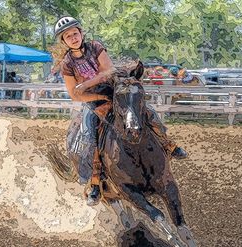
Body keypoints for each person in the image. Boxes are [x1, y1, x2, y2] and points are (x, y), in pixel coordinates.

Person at [53, 16, 187, 206]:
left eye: (75, 33)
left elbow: (108, 71)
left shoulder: (95, 47)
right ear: (64, 41)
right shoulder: (67, 63)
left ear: (81, 33)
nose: (73, 38)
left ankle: (168, 145)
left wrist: (87, 84)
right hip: (94, 101)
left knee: (147, 113)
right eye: (68, 36)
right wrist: (95, 96)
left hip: (114, 91)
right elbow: (75, 95)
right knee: (89, 136)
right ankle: (95, 182)